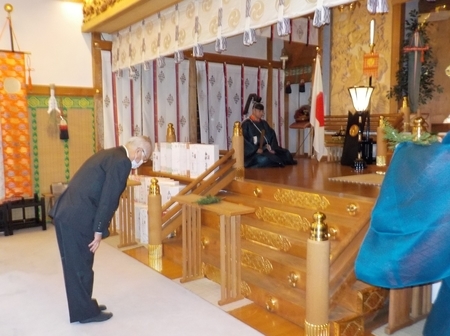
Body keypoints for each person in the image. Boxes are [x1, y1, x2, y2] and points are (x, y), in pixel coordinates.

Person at [49, 136, 152, 324]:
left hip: (67, 212)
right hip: (78, 217)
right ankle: (86, 313)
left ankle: (84, 306)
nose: (140, 163)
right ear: (139, 152)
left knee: (74, 265)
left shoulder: (110, 153)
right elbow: (109, 199)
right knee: (81, 266)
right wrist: (98, 230)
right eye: (144, 159)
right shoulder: (122, 162)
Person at [242, 102, 297, 168]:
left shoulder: (264, 123)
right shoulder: (246, 124)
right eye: (260, 111)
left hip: (267, 150)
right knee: (263, 159)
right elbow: (244, 140)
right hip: (254, 153)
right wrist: (256, 149)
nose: (262, 113)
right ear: (253, 111)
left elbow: (272, 135)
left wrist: (272, 148)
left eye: (262, 111)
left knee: (286, 153)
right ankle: (276, 162)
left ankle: (276, 162)